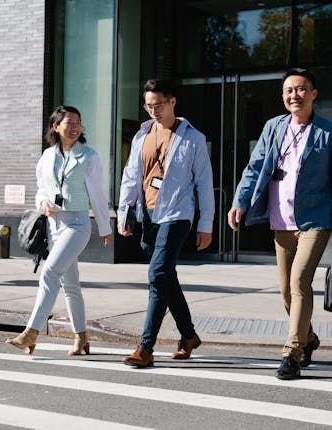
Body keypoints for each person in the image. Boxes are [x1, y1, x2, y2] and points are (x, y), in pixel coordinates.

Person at [227, 67, 332, 380]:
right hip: (280, 220)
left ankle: (292, 353)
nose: (294, 95)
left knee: (300, 281)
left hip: (315, 220)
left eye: (300, 89)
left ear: (313, 94)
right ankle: (309, 337)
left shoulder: (328, 132)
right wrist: (239, 201)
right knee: (286, 291)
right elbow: (254, 167)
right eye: (288, 90)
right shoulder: (274, 127)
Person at [117, 79, 215, 368]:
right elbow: (131, 177)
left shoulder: (192, 138)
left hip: (177, 214)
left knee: (157, 276)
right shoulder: (141, 136)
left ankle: (145, 347)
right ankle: (189, 336)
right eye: (148, 106)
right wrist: (124, 212)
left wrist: (205, 223)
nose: (153, 111)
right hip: (147, 215)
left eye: (158, 105)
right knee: (166, 277)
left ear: (172, 102)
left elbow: (204, 182)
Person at [6, 105, 112, 356]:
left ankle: (31, 332)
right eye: (69, 122)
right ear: (56, 126)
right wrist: (42, 202)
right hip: (54, 225)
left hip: (77, 224)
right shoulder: (47, 156)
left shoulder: (89, 156)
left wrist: (105, 226)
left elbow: (97, 194)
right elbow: (41, 188)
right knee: (71, 285)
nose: (75, 127)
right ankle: (81, 337)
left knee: (50, 273)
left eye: (78, 122)